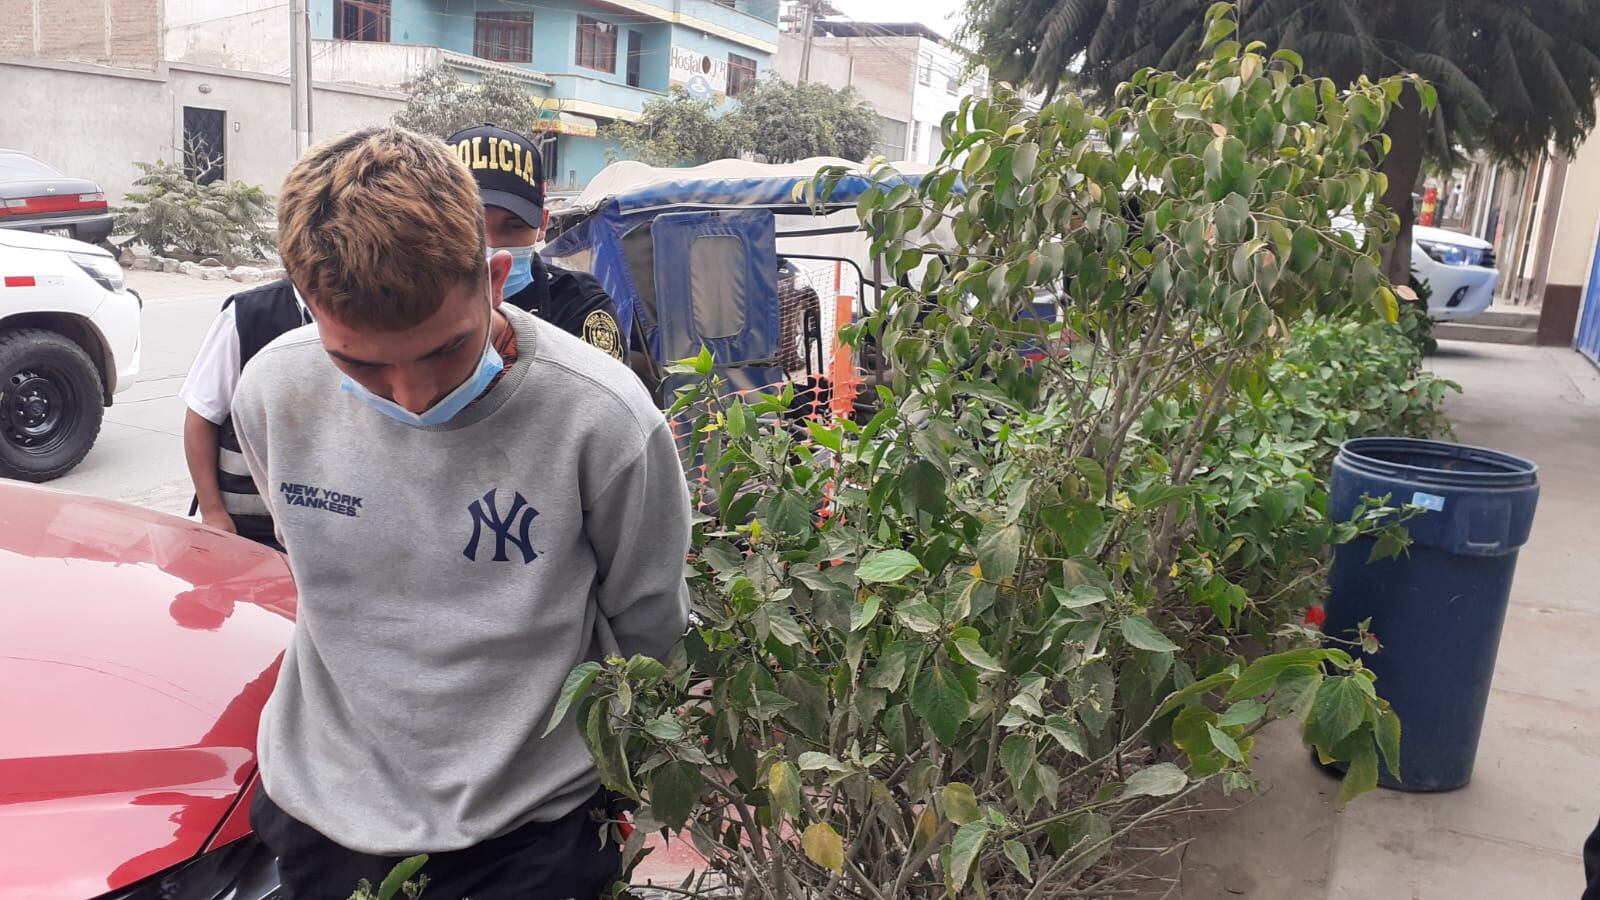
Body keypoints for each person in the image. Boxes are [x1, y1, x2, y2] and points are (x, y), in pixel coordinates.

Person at [232, 127, 692, 900]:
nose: (413, 396)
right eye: (362, 364)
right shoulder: (274, 393)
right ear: (308, 305)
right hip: (320, 809)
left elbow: (649, 628)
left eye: (444, 351)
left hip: (530, 835)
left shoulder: (602, 419)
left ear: (496, 278)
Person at [444, 124, 627, 362]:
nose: (489, 247)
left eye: (513, 226)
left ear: (542, 224)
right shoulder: (405, 295)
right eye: (469, 226)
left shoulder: (577, 304)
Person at [179, 279, 311, 549]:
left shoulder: (367, 309)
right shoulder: (247, 314)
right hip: (250, 524)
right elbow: (202, 416)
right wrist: (213, 512)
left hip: (321, 524)